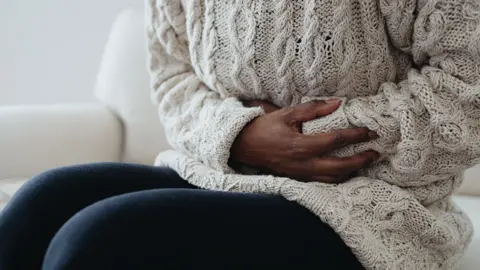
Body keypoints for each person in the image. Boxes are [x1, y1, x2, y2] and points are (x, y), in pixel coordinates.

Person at [1, 0, 479, 269]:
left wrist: (302, 139)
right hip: (221, 170)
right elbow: (172, 76)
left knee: (96, 242)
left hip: (364, 206)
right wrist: (243, 136)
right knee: (43, 202)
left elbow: (468, 88)